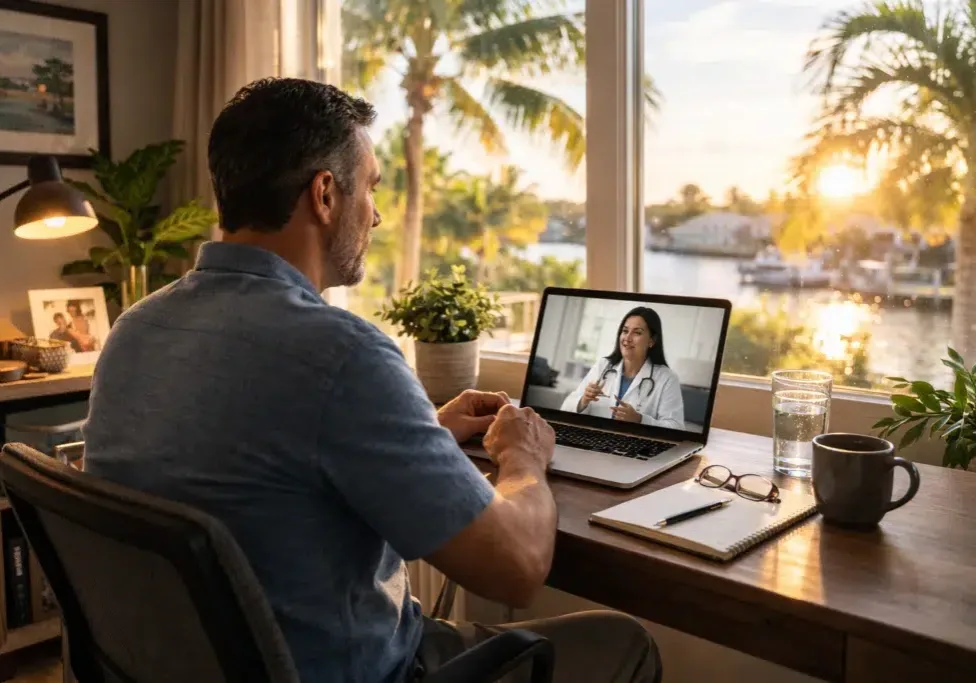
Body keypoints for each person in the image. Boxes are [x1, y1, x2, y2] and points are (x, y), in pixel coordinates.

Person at [82, 78, 661, 683]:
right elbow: (515, 568)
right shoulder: (340, 355)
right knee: (624, 640)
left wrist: (423, 430)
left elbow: (264, 467)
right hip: (363, 671)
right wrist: (523, 459)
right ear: (325, 194)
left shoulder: (136, 329)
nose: (378, 214)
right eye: (373, 187)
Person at [561, 307, 684, 430]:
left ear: (652, 341)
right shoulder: (603, 366)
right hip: (595, 438)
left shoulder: (667, 378)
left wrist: (640, 420)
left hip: (636, 444)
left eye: (637, 333)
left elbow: (676, 428)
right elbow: (565, 409)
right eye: (625, 331)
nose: (627, 338)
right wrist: (584, 400)